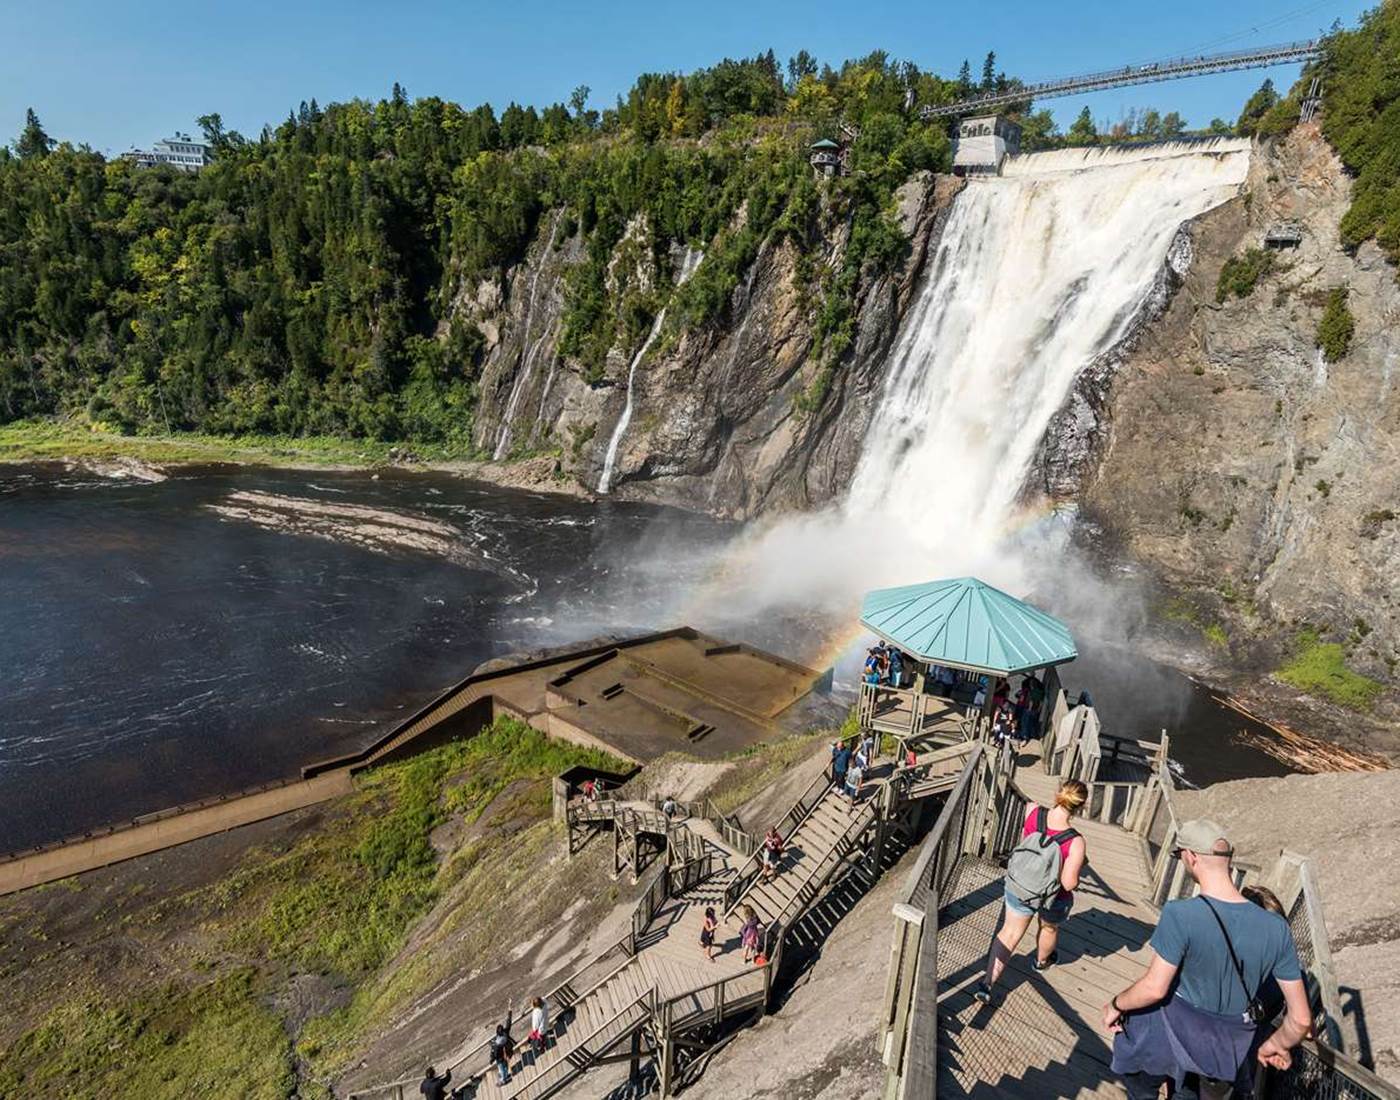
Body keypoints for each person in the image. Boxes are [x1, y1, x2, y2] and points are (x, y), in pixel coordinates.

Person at [1103, 820, 1312, 1100]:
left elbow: (1154, 989)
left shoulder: (1180, 913)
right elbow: (1300, 1020)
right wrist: (1275, 1044)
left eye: (1180, 856)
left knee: (1140, 1058)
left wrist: (1116, 1004)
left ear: (1191, 856)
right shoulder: (1276, 928)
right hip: (1223, 1051)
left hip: (1170, 1037)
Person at [974, 779, 1088, 1004]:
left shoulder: (1032, 811)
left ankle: (987, 984)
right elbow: (1069, 883)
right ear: (1080, 806)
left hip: (1022, 885)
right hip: (1051, 897)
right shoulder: (1075, 841)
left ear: (1058, 793)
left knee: (1009, 933)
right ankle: (1041, 961)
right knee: (1048, 927)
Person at [527, 995, 550, 1061]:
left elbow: (535, 1026)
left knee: (540, 1039)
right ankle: (542, 1045)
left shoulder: (537, 1012)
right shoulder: (544, 1004)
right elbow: (543, 998)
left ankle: (541, 1048)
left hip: (541, 1030)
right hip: (545, 1024)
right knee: (543, 1036)